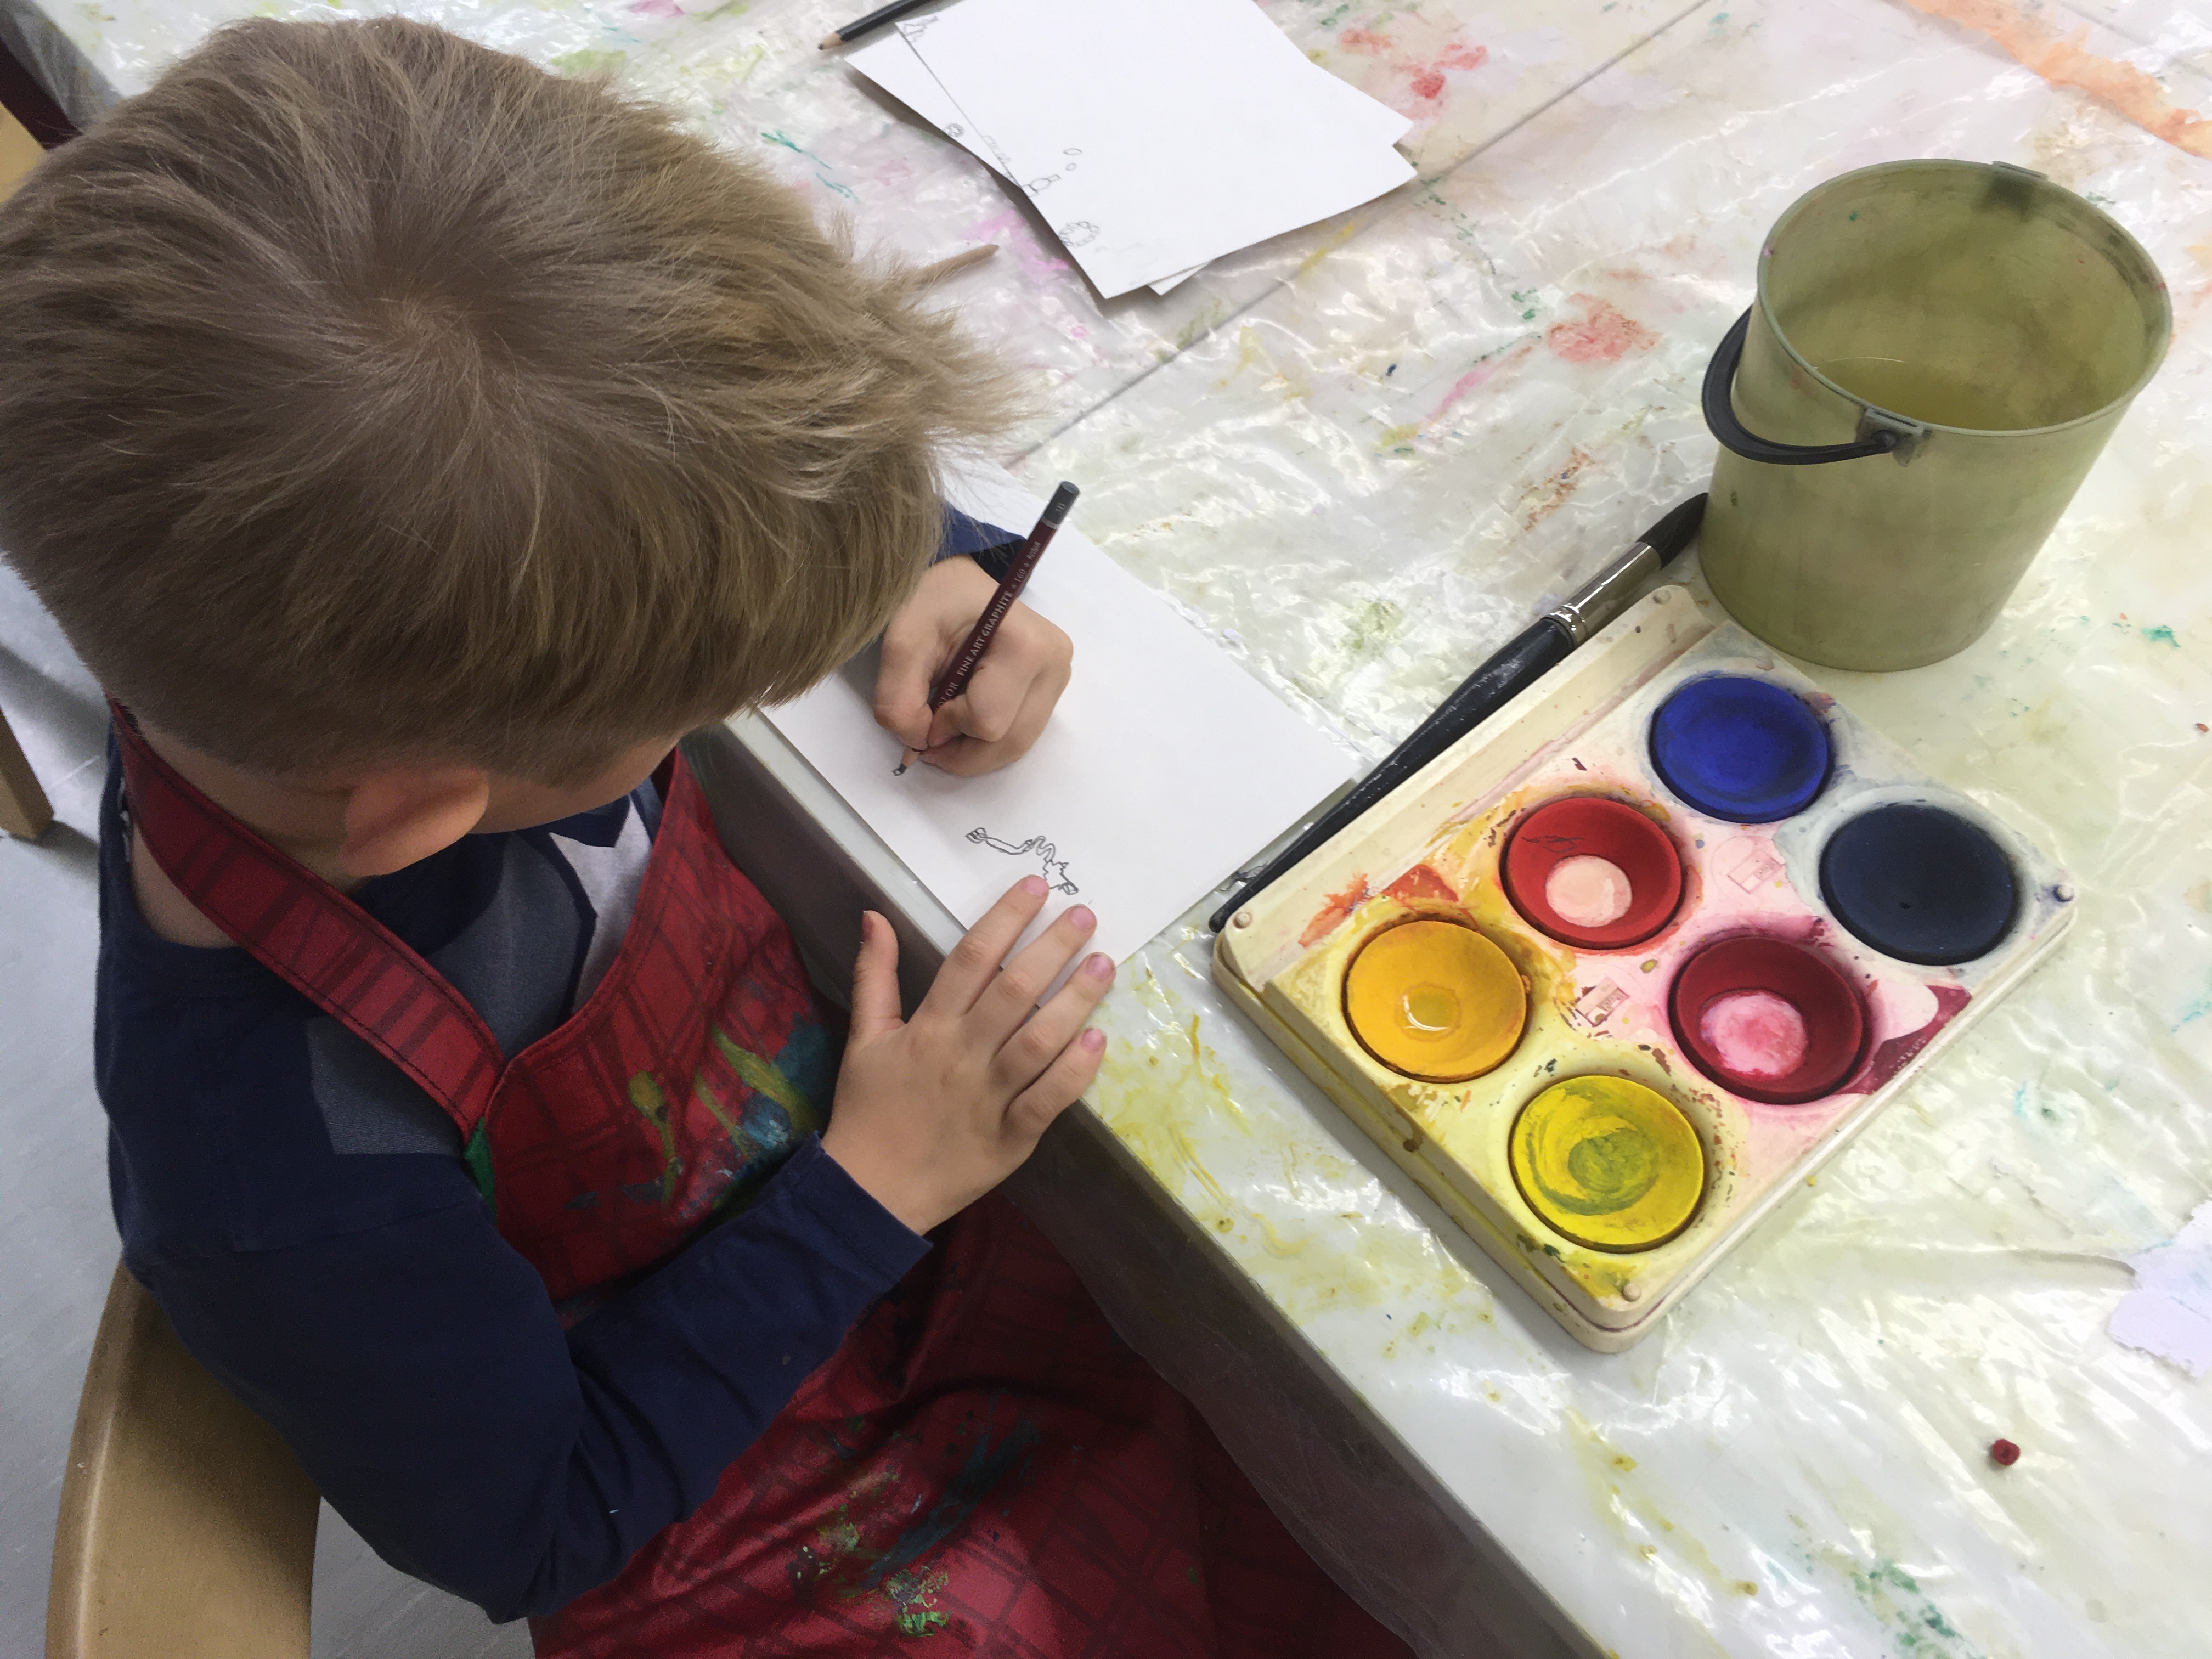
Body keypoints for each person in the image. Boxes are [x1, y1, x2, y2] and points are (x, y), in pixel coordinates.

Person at [0, 17, 1411, 1657]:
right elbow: (540, 1523)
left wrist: (919, 561)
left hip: (874, 1199)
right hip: (729, 1501)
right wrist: (870, 1189)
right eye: (700, 695)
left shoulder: (318, 675)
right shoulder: (277, 1183)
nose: (714, 710)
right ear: (427, 810)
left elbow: (620, 478)